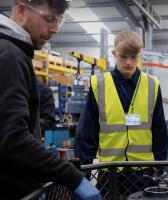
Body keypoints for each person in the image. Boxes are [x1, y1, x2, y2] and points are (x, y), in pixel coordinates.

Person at [0, 1, 101, 199]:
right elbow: (12, 139)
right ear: (21, 10)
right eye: (49, 19)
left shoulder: (14, 53)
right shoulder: (8, 55)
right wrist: (74, 178)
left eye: (59, 21)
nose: (55, 29)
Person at [75, 30, 168, 196]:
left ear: (140, 55)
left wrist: (159, 167)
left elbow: (159, 129)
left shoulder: (152, 85)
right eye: (123, 57)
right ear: (114, 53)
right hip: (109, 170)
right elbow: (87, 130)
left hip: (143, 171)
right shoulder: (99, 84)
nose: (129, 62)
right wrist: (87, 168)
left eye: (134, 57)